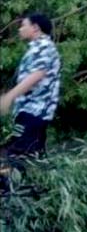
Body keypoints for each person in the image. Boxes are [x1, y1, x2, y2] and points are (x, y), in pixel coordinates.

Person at [0, 13, 61, 160]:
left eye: (23, 25)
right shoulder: (38, 47)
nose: (20, 29)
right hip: (30, 110)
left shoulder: (44, 47)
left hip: (35, 111)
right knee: (32, 156)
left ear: (35, 28)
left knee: (18, 156)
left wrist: (9, 97)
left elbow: (36, 75)